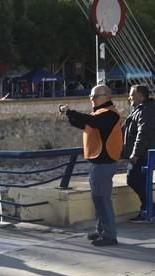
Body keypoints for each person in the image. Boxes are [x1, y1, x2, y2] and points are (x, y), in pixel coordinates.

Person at [60, 84, 123, 246]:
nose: (91, 99)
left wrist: (70, 112)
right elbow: (84, 123)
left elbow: (91, 121)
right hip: (98, 163)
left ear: (106, 97)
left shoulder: (109, 115)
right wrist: (69, 114)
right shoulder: (100, 114)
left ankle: (110, 235)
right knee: (98, 199)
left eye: (94, 96)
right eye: (90, 96)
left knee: (102, 200)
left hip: (104, 163)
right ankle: (101, 230)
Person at [122, 84, 155, 222]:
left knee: (134, 179)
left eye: (131, 94)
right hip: (144, 153)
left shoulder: (145, 111)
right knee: (138, 181)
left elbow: (143, 133)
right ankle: (147, 208)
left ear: (140, 96)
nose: (129, 97)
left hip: (142, 155)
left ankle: (149, 209)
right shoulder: (141, 109)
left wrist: (135, 154)